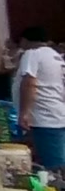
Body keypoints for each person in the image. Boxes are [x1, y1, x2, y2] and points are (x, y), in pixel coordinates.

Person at [17, 27, 65, 168]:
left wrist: (24, 113)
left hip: (43, 117)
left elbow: (29, 83)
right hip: (57, 112)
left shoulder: (32, 54)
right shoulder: (55, 56)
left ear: (25, 40)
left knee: (54, 164)